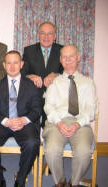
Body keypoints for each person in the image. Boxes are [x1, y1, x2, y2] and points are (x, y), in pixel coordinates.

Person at [0, 50, 42, 187]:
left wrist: (23, 120)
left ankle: (20, 179)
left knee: (33, 142)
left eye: (16, 62)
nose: (12, 66)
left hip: (24, 123)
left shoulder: (31, 86)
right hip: (2, 123)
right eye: (9, 63)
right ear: (4, 65)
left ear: (21, 64)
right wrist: (6, 121)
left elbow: (37, 110)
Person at [43, 45, 97, 187]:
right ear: (60, 60)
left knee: (84, 151)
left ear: (78, 58)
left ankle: (74, 183)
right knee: (51, 150)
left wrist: (77, 124)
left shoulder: (88, 83)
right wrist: (59, 123)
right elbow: (48, 106)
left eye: (71, 56)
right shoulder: (54, 82)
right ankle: (60, 182)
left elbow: (91, 110)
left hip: (80, 124)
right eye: (64, 57)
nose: (68, 60)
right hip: (56, 123)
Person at [21, 21, 63, 127]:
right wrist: (31, 76)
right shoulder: (29, 50)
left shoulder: (62, 50)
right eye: (43, 33)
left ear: (55, 36)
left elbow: (68, 72)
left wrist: (57, 75)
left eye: (49, 33)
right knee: (32, 128)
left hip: (55, 98)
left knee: (50, 128)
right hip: (34, 96)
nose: (46, 37)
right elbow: (22, 73)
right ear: (38, 35)